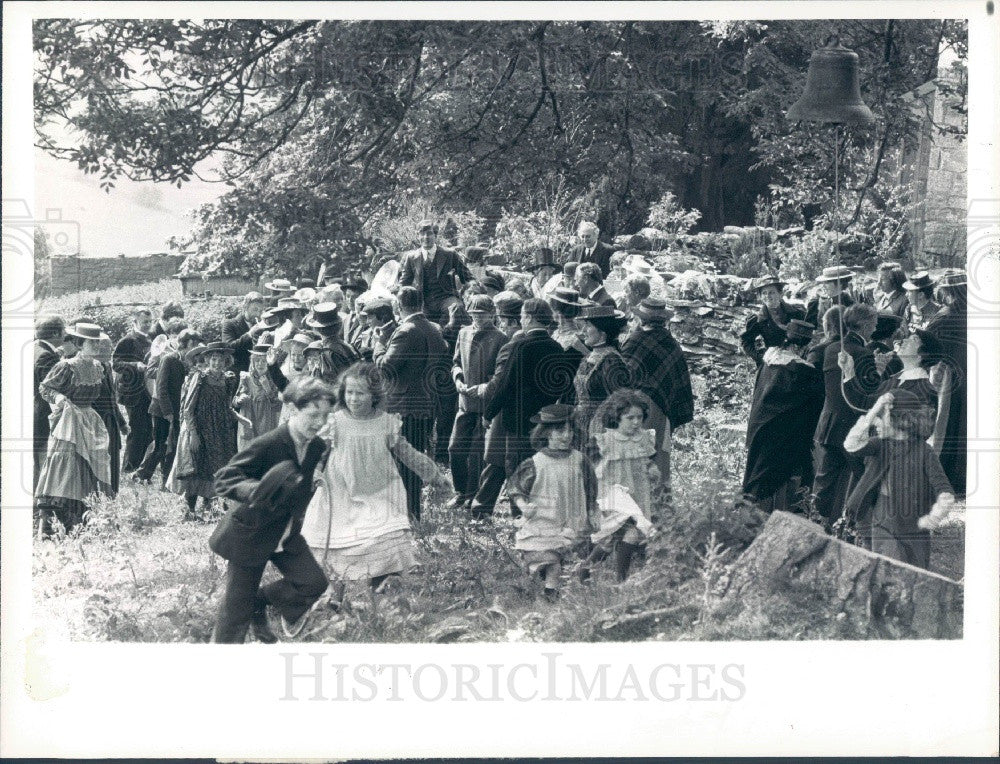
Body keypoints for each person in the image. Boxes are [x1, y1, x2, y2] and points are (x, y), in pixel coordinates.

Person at [301, 363, 449, 607]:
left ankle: (381, 591)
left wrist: (433, 474)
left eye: (360, 393)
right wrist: (313, 472)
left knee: (386, 537)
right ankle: (333, 596)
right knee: (340, 544)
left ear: (374, 396)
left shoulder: (386, 423)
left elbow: (406, 453)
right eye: (349, 393)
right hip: (342, 492)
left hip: (379, 491)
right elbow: (318, 452)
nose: (354, 399)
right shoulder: (336, 422)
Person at [209, 376, 336, 643]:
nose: (320, 423)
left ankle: (260, 602)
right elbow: (224, 477)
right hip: (251, 534)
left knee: (313, 584)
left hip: (285, 534)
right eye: (313, 414)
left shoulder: (316, 446)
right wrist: (255, 489)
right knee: (234, 612)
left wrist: (310, 479)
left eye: (325, 416)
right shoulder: (269, 443)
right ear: (291, 408)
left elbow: (298, 481)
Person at [465, 299, 573, 520]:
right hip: (544, 419)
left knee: (515, 467)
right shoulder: (556, 347)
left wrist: (488, 414)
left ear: (530, 317)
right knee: (536, 468)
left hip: (516, 418)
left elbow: (504, 385)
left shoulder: (520, 346)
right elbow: (561, 384)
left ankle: (519, 518)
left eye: (523, 316)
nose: (520, 320)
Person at [843, 389, 954, 569]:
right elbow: (851, 445)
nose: (876, 423)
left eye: (882, 416)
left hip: (913, 523)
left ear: (899, 419)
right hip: (883, 517)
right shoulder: (879, 444)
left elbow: (944, 491)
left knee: (913, 572)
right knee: (885, 569)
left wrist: (933, 517)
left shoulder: (924, 452)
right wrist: (874, 409)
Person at [374, 286, 451, 520]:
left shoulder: (405, 331)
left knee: (403, 462)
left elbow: (385, 367)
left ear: (399, 306)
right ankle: (413, 513)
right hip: (426, 403)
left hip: (403, 406)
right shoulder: (435, 330)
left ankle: (407, 515)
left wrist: (379, 344)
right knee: (414, 460)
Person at [507, 404, 599, 601]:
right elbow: (516, 489)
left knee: (574, 566)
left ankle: (561, 590)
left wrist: (593, 512)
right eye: (559, 430)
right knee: (550, 561)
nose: (566, 435)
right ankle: (549, 593)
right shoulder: (535, 462)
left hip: (574, 522)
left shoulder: (580, 460)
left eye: (569, 430)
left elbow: (591, 490)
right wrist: (524, 507)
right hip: (544, 523)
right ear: (546, 433)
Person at [35, 323, 115, 534]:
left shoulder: (100, 367)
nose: (96, 346)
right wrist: (60, 398)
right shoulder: (66, 366)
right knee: (69, 468)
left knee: (93, 467)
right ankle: (62, 521)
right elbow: (45, 387)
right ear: (79, 344)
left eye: (98, 342)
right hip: (70, 421)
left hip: (90, 420)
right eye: (91, 342)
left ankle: (88, 518)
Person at [742, 320, 824, 512]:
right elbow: (816, 403)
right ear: (802, 347)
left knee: (757, 476)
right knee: (776, 484)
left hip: (760, 429)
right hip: (783, 438)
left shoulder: (768, 362)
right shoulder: (802, 371)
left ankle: (748, 519)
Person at [580, 390, 659, 582]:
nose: (635, 422)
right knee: (623, 533)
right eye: (629, 417)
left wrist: (652, 468)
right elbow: (586, 466)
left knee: (618, 537)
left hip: (636, 492)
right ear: (617, 417)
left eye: (639, 417)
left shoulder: (645, 438)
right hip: (612, 494)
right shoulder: (605, 441)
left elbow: (647, 460)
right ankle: (613, 577)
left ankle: (589, 571)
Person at [812, 303, 880, 526]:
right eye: (874, 323)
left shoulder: (832, 349)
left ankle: (817, 519)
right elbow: (865, 395)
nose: (876, 327)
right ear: (866, 326)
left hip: (830, 424)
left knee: (826, 479)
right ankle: (863, 524)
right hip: (852, 428)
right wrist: (883, 370)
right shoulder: (863, 353)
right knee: (865, 477)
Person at [619, 296, 694, 498]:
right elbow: (679, 383)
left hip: (635, 407)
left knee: (634, 455)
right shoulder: (672, 344)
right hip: (661, 408)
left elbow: (621, 376)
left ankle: (635, 505)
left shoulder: (634, 341)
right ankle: (660, 509)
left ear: (642, 319)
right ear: (663, 321)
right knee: (658, 456)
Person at [448, 295, 507, 509]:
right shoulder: (463, 333)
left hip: (485, 406)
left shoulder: (500, 338)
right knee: (455, 448)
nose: (479, 319)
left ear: (492, 314)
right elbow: (455, 362)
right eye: (474, 314)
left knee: (477, 455)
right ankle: (460, 492)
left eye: (483, 315)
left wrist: (484, 388)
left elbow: (501, 374)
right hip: (464, 403)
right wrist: (457, 378)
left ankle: (473, 495)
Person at [173, 342, 240, 520]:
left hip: (220, 430)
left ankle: (211, 508)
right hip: (201, 429)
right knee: (196, 467)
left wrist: (241, 420)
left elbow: (227, 407)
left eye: (221, 360)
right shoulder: (200, 378)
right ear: (208, 359)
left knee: (216, 467)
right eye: (213, 359)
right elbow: (188, 409)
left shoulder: (228, 380)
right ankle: (188, 510)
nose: (217, 363)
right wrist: (193, 434)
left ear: (227, 361)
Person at [925, 269, 967, 496]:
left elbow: (925, 345)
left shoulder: (943, 317)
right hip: (972, 377)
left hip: (948, 379)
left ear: (948, 291)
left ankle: (945, 477)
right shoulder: (977, 313)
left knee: (945, 425)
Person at [134, 320, 189, 485]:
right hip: (160, 403)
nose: (177, 340)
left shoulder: (181, 355)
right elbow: (150, 372)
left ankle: (154, 474)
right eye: (175, 335)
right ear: (170, 335)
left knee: (166, 442)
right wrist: (168, 368)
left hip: (174, 401)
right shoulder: (160, 354)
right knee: (161, 444)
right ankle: (142, 473)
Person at [838, 328, 942, 412]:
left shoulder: (926, 391)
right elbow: (864, 404)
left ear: (921, 355)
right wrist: (849, 372)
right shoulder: (895, 379)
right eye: (907, 338)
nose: (904, 341)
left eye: (913, 339)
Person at [572, 303, 632, 445]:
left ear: (602, 332)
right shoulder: (589, 357)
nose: (583, 330)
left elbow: (623, 404)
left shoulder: (613, 362)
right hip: (582, 429)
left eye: (588, 326)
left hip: (602, 435)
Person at [396, 219, 474, 325]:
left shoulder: (450, 254)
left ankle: (448, 336)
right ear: (418, 236)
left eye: (429, 233)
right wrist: (399, 298)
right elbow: (404, 282)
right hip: (422, 301)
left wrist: (471, 293)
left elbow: (468, 277)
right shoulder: (411, 257)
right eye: (422, 234)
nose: (425, 237)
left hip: (446, 297)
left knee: (456, 309)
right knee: (417, 322)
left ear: (435, 235)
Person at [113, 307, 154, 473]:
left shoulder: (150, 340)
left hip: (147, 391)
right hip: (132, 393)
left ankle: (140, 467)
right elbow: (115, 364)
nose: (148, 325)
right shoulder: (127, 341)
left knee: (148, 430)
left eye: (150, 322)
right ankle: (129, 467)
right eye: (145, 322)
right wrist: (134, 366)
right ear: (135, 322)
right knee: (136, 430)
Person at [740, 275, 807, 367]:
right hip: (774, 363)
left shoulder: (796, 312)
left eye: (771, 292)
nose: (767, 296)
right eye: (764, 293)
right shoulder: (757, 319)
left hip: (797, 360)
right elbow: (746, 343)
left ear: (780, 294)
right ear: (760, 296)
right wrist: (762, 358)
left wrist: (800, 349)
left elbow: (807, 336)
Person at [33, 315, 66, 490]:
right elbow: (52, 389)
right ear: (55, 332)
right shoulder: (47, 357)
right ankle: (41, 507)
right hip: (44, 414)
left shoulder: (35, 349)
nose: (65, 333)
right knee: (44, 461)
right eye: (63, 330)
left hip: (33, 410)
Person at [235, 344, 283, 450]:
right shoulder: (246, 378)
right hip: (249, 419)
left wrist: (268, 389)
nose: (260, 364)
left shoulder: (274, 379)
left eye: (264, 361)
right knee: (247, 451)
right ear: (253, 362)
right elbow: (234, 401)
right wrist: (239, 400)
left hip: (267, 420)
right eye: (257, 361)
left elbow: (278, 406)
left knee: (265, 450)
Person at [304, 303, 361, 384]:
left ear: (317, 329)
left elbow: (327, 383)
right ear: (339, 325)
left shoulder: (327, 353)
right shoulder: (349, 346)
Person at [222, 292, 266, 373]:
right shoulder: (230, 324)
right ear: (245, 307)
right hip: (237, 373)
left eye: (260, 311)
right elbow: (228, 348)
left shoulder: (261, 326)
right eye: (255, 309)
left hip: (258, 373)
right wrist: (249, 334)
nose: (258, 314)